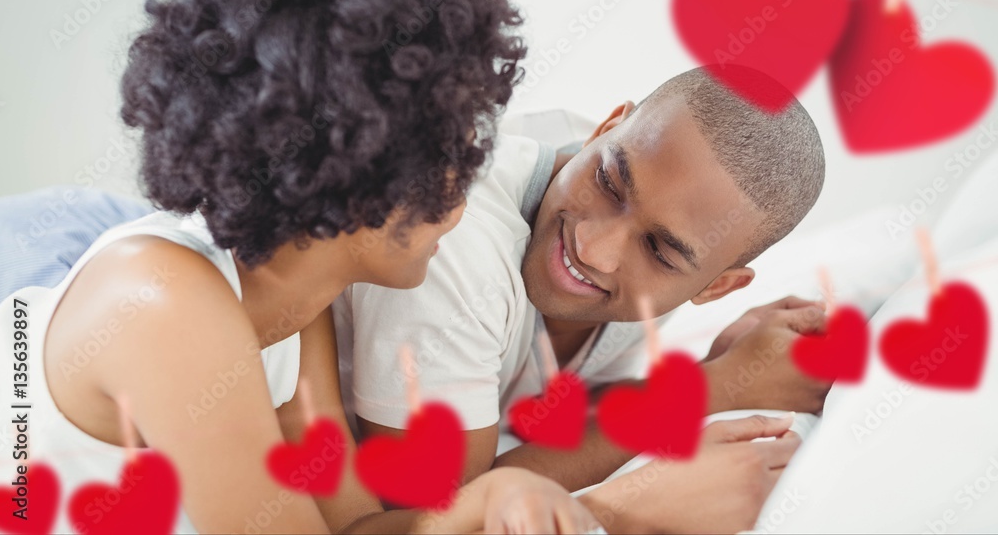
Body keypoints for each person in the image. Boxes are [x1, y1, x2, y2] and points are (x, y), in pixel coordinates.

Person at [0, 0, 604, 534]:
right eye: (451, 156)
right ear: (361, 174)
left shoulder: (292, 313)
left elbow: (348, 527)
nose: (465, 189)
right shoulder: (164, 302)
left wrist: (485, 503)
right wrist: (627, 506)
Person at [332, 64, 831, 508]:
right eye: (610, 183)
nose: (594, 248)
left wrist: (719, 364)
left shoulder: (667, 228)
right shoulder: (454, 244)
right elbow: (450, 510)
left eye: (658, 251)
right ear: (606, 128)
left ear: (716, 287)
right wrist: (712, 391)